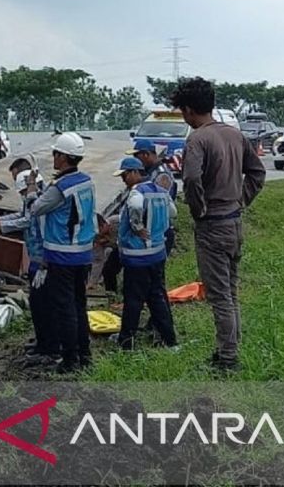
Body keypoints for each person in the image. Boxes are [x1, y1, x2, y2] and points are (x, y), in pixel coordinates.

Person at [172, 77, 265, 373]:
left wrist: (199, 209)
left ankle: (227, 359)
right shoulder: (234, 135)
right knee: (231, 290)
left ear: (188, 110)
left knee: (220, 295)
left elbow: (190, 179)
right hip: (235, 223)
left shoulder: (197, 139)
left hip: (213, 226)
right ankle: (230, 347)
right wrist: (241, 201)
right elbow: (257, 174)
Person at [26, 132, 97, 373]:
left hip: (61, 255)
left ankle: (69, 361)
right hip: (83, 253)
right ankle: (84, 354)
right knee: (79, 304)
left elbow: (35, 208)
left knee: (64, 308)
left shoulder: (60, 187)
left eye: (55, 153)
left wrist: (32, 188)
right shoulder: (85, 180)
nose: (53, 158)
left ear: (64, 157)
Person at [0, 158, 53, 364]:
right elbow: (22, 215)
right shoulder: (32, 200)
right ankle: (42, 340)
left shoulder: (40, 202)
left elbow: (27, 220)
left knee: (43, 304)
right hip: (35, 256)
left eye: (24, 192)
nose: (23, 197)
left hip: (43, 259)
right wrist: (1, 220)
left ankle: (48, 344)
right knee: (36, 303)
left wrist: (2, 226)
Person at [110, 156, 177, 350]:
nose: (123, 179)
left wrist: (137, 225)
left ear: (134, 173)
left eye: (124, 175)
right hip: (157, 254)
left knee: (133, 300)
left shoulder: (136, 192)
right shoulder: (160, 191)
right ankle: (169, 340)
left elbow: (136, 206)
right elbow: (172, 213)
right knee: (157, 298)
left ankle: (126, 342)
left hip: (137, 257)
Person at [129, 138, 178, 253]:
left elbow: (160, 204)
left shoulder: (161, 174)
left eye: (137, 156)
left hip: (158, 231)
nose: (135, 160)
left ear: (146, 154)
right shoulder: (150, 172)